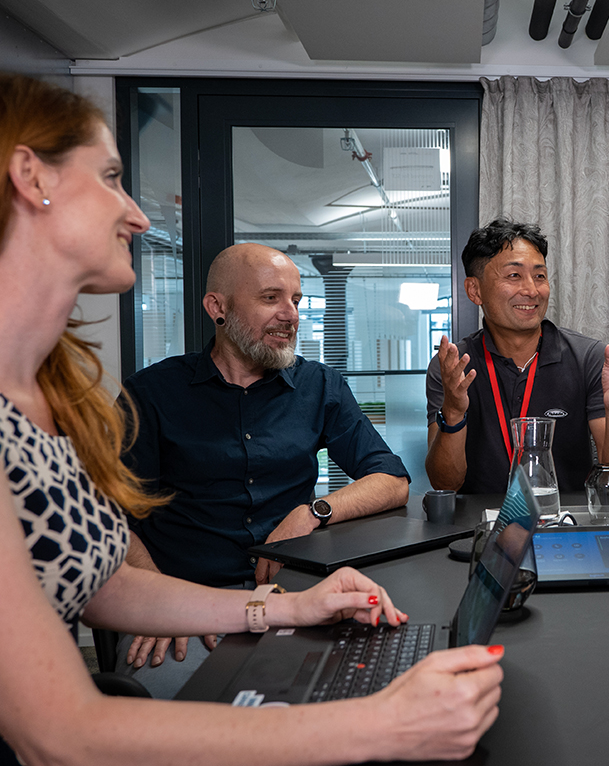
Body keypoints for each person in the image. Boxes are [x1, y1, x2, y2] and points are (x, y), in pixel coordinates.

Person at [0, 73, 503, 764]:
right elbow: (57, 731)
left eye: (296, 297)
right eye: (112, 176)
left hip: (244, 599)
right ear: (30, 176)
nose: (140, 215)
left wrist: (289, 604)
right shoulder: (144, 393)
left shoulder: (48, 397)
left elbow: (102, 578)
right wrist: (383, 723)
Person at [116, 242, 410, 697]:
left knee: (349, 699)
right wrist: (159, 601)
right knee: (177, 726)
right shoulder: (150, 394)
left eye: (296, 299)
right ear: (218, 307)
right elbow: (108, 518)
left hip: (294, 599)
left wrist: (314, 511)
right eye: (271, 298)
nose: (290, 314)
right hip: (183, 609)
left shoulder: (320, 386)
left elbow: (391, 480)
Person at [425, 218, 609, 494]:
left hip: (568, 524)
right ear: (475, 290)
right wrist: (452, 412)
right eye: (514, 276)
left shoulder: (588, 357)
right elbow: (444, 484)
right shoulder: (453, 367)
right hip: (479, 525)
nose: (532, 290)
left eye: (539, 276)